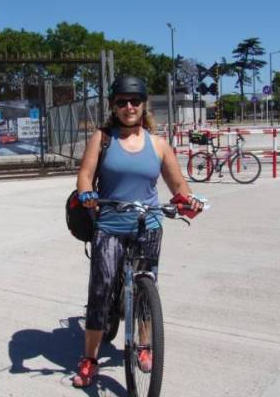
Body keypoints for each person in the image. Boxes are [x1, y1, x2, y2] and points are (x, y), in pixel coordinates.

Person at [73, 75, 204, 387]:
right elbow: (85, 175)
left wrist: (188, 201)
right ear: (113, 106)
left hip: (148, 226)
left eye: (135, 101)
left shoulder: (158, 145)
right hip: (110, 226)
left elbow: (178, 185)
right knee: (101, 290)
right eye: (122, 102)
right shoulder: (103, 138)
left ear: (144, 105)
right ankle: (90, 359)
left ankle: (144, 345)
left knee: (147, 288)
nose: (129, 107)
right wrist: (86, 193)